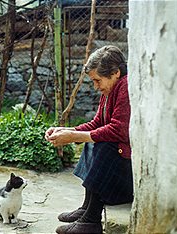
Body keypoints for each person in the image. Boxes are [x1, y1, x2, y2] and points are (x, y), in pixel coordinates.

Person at [45, 45, 133, 234]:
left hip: (125, 183)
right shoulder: (110, 90)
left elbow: (119, 131)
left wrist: (74, 136)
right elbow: (97, 123)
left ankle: (91, 221)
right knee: (92, 140)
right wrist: (67, 130)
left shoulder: (125, 87)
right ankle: (87, 208)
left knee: (103, 144)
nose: (95, 86)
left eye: (97, 80)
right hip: (116, 177)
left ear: (115, 72)